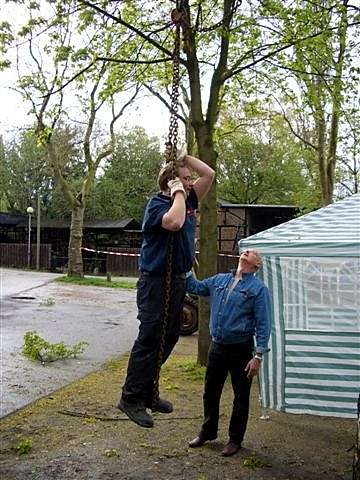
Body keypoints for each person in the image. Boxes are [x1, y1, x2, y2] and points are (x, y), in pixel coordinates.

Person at [118, 151, 215, 428]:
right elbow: (174, 222)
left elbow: (209, 174)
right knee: (150, 337)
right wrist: (178, 193)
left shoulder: (188, 199)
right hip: (156, 281)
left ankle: (148, 390)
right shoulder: (158, 204)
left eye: (188, 180)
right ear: (169, 184)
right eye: (184, 180)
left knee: (169, 336)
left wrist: (185, 157)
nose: (189, 183)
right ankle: (130, 398)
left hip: (177, 280)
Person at [186, 249, 271, 456]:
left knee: (241, 397)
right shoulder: (220, 280)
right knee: (210, 392)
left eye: (253, 253)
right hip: (217, 347)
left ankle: (235, 440)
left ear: (256, 265)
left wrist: (258, 356)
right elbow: (194, 287)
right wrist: (186, 264)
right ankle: (208, 432)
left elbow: (263, 324)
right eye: (246, 251)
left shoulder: (258, 289)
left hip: (241, 349)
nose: (247, 252)